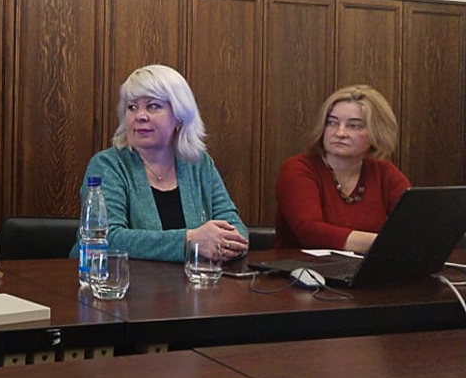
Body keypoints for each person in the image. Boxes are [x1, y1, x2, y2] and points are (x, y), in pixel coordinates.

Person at [71, 65, 248, 262]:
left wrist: (227, 244)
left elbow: (236, 230)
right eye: (132, 107)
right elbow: (105, 238)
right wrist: (189, 241)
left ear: (179, 117)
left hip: (192, 280)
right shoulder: (107, 165)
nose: (140, 116)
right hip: (118, 279)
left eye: (153, 106)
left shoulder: (199, 163)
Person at [275, 85, 409, 252]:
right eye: (332, 123)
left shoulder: (384, 172)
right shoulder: (298, 168)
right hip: (302, 266)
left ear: (377, 132)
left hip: (368, 266)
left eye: (354, 126)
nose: (340, 133)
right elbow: (309, 232)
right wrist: (386, 242)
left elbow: (415, 221)